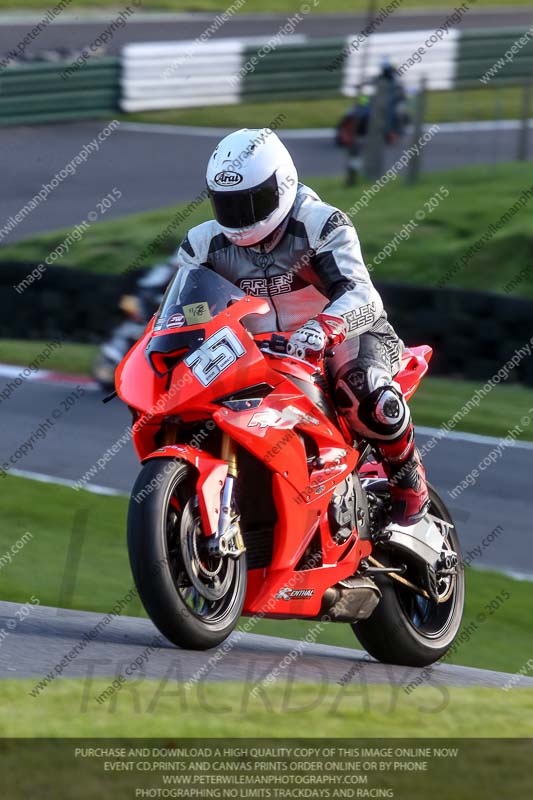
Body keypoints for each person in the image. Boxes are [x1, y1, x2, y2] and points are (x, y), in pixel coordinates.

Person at [175, 128, 428, 525]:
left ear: (283, 184)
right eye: (229, 204)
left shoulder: (320, 224)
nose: (241, 217)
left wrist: (325, 328)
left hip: (344, 336)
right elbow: (187, 313)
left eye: (252, 201)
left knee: (363, 387)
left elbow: (363, 294)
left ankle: (408, 477)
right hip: (260, 356)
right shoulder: (202, 245)